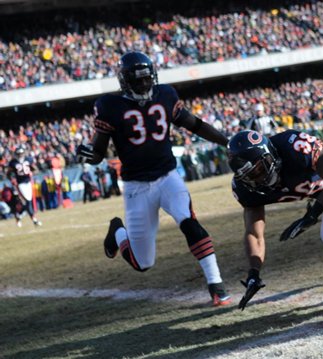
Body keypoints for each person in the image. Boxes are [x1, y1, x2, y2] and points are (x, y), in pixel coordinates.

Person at [76, 51, 232, 306]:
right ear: (125, 81)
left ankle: (216, 284)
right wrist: (89, 154)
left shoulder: (166, 95)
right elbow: (98, 152)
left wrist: (227, 142)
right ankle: (117, 230)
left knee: (188, 221)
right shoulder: (109, 106)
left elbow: (195, 124)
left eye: (147, 79)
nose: (144, 85)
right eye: (138, 81)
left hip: (168, 176)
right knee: (142, 263)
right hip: (137, 187)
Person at [227, 130, 323, 310]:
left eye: (261, 169)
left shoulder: (292, 145)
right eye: (250, 176)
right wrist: (253, 272)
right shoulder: (246, 189)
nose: (259, 178)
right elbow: (254, 234)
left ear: (270, 154)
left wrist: (312, 215)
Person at [6, 146, 42, 227]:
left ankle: (20, 216)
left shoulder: (28, 159)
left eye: (21, 153)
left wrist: (33, 172)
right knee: (26, 201)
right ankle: (33, 219)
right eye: (19, 154)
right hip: (20, 184)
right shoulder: (13, 162)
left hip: (28, 182)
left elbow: (35, 168)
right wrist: (12, 179)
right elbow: (8, 173)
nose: (20, 155)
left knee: (27, 201)